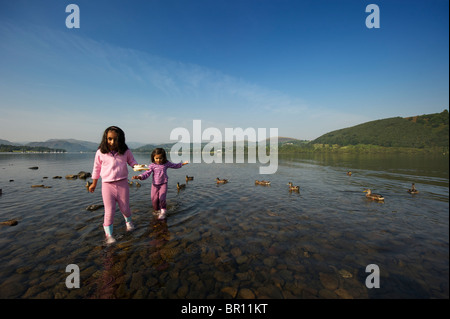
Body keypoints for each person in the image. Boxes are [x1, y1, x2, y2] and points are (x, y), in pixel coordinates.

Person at [89, 126, 139, 244]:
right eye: (110, 139)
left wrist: (137, 167)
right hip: (107, 185)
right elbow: (96, 169)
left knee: (125, 208)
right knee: (109, 211)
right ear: (105, 139)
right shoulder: (100, 152)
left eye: (116, 139)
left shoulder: (125, 151)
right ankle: (109, 235)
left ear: (121, 139)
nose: (112, 142)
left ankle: (129, 222)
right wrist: (94, 184)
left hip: (122, 184)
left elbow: (132, 161)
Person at [132, 148, 188, 220]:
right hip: (155, 185)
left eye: (160, 158)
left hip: (163, 184)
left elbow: (174, 165)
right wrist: (139, 177)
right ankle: (157, 211)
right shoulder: (152, 165)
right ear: (153, 157)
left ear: (163, 157)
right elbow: (146, 173)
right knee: (154, 199)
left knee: (162, 198)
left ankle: (163, 211)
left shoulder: (166, 163)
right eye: (156, 158)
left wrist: (183, 164)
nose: (158, 160)